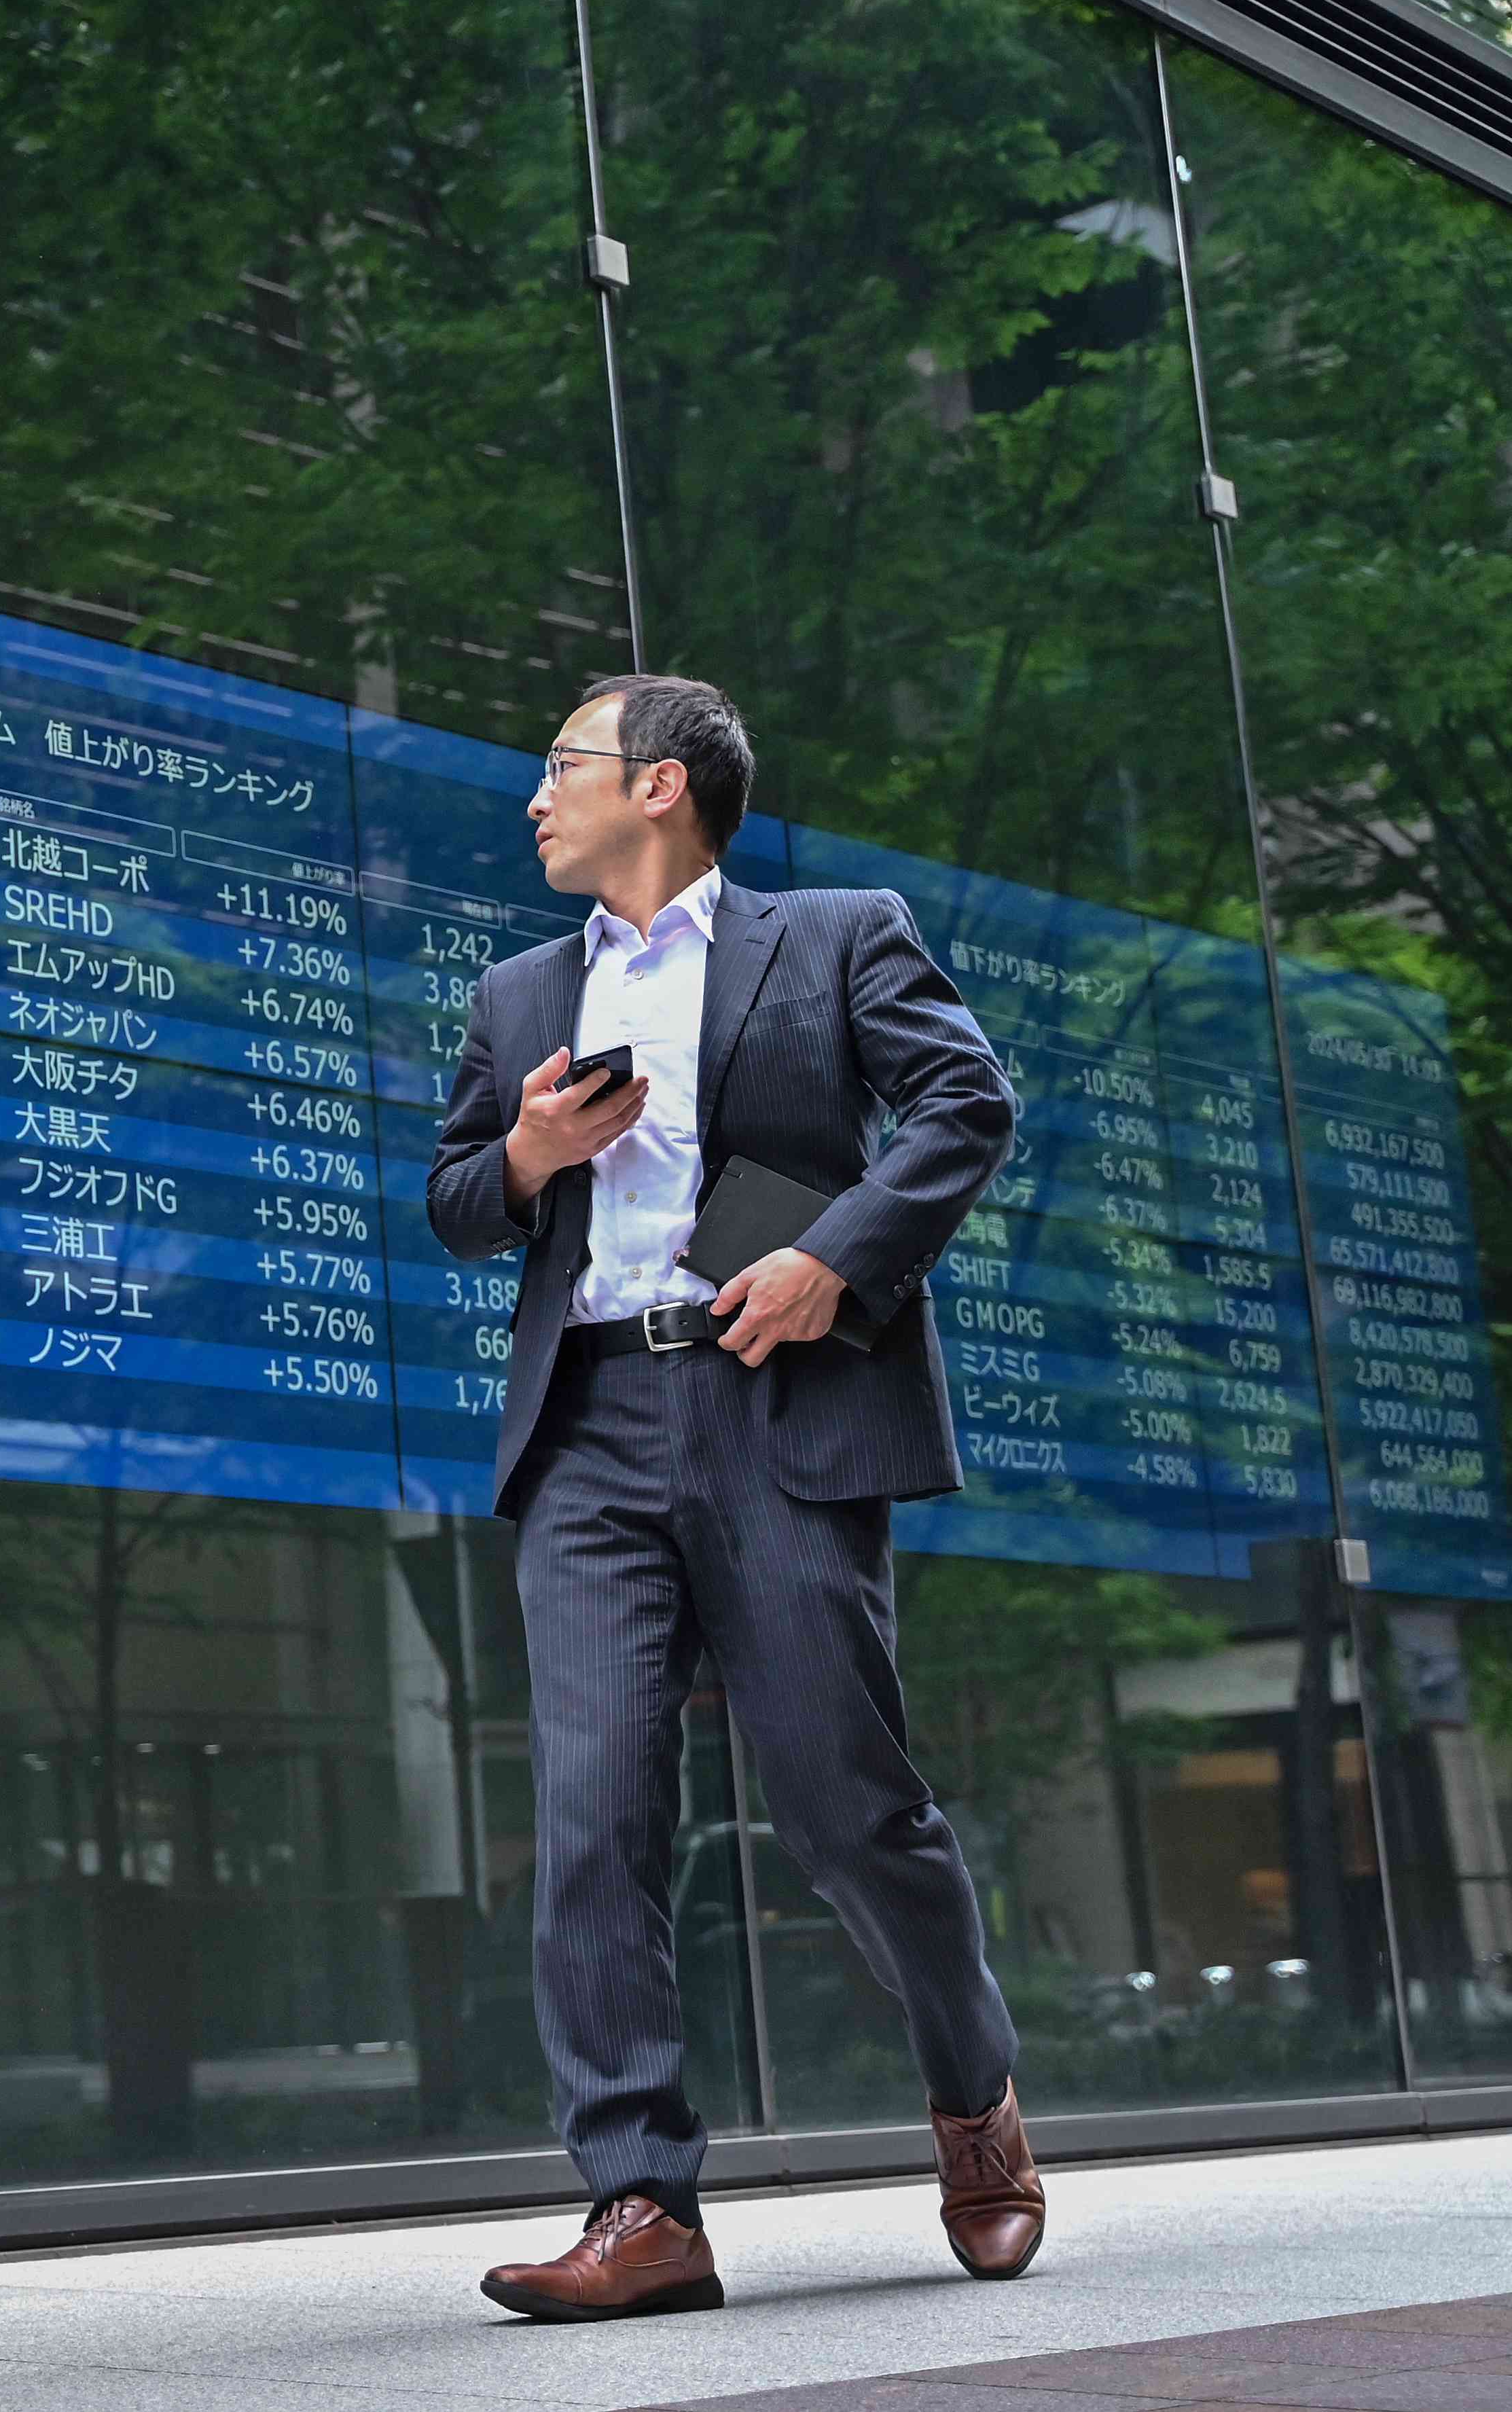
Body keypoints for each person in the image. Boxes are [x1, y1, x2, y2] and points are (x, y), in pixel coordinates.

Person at [426, 674, 1045, 2320]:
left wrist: (830, 1262)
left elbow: (963, 1102)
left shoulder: (837, 933)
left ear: (663, 784)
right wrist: (532, 1158)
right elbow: (454, 1198)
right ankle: (641, 2201)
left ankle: (973, 2095)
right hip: (589, 1424)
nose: (533, 796)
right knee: (594, 1810)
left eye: (559, 764)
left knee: (845, 1802)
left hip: (776, 1395)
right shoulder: (515, 994)